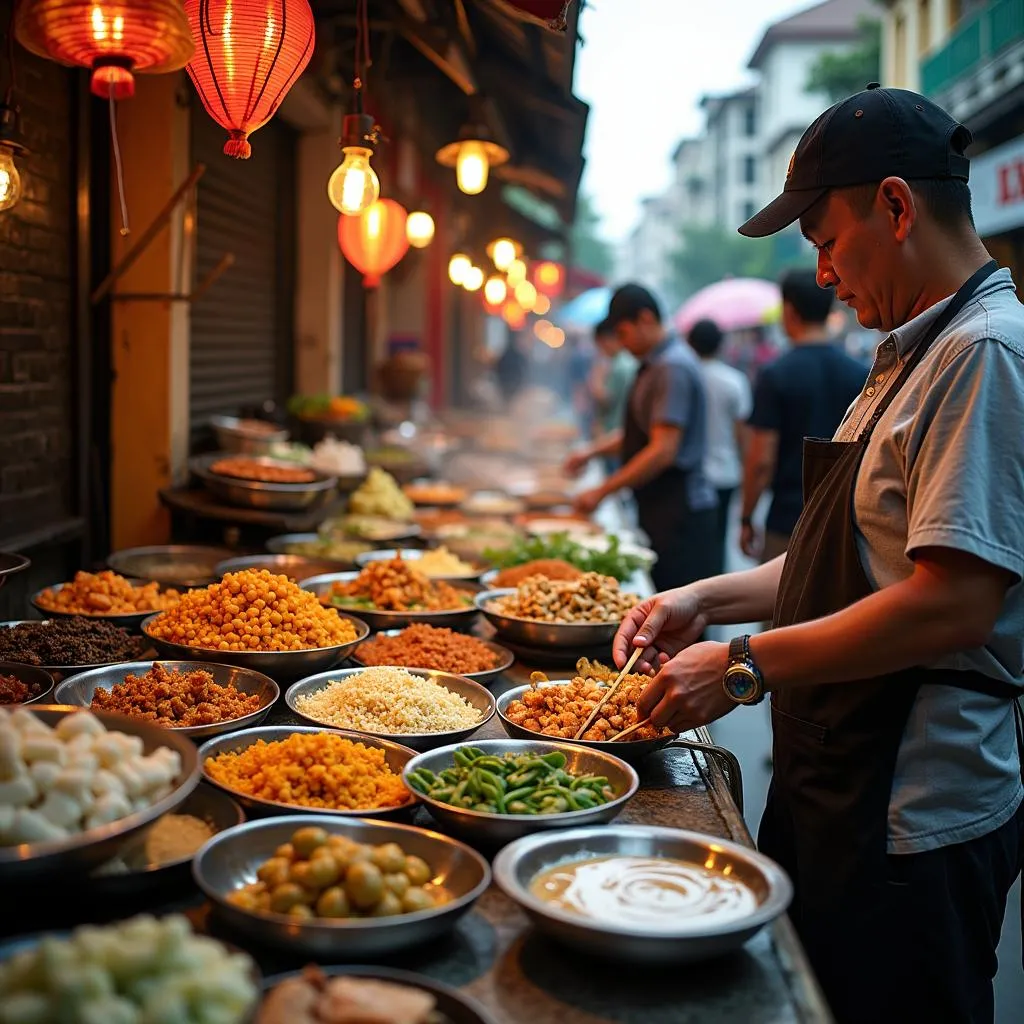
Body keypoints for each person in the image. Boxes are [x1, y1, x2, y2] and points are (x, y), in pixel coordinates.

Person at [612, 85, 1024, 1023]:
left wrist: (743, 666)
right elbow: (849, 557)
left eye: (826, 240)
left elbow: (951, 602)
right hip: (835, 780)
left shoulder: (986, 353)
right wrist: (705, 600)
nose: (823, 272)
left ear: (894, 204)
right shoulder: (905, 355)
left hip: (908, 817)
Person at [567, 284, 718, 592]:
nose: (621, 344)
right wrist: (590, 453)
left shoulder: (671, 367)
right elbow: (641, 433)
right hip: (664, 507)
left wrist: (602, 490)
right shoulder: (655, 364)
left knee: (679, 610)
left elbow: (662, 449)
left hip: (680, 513)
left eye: (623, 333)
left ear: (646, 319)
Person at [740, 269, 867, 562]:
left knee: (781, 604)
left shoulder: (775, 375)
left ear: (789, 310)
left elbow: (761, 460)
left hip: (787, 521)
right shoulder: (860, 373)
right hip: (843, 520)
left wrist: (746, 516)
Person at [687, 318, 751, 576]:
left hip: (691, 474)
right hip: (725, 472)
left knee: (692, 542)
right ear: (719, 345)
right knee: (718, 538)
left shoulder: (686, 376)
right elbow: (741, 434)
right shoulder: (734, 381)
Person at [586, 318, 637, 475]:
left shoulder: (620, 365)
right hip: (618, 435)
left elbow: (604, 397)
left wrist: (595, 378)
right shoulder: (627, 361)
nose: (601, 350)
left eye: (600, 345)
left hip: (613, 435)